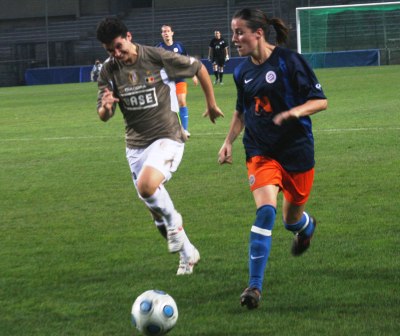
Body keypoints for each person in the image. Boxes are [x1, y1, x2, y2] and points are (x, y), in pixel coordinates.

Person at [95, 17, 224, 275]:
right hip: (135, 145)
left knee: (147, 187)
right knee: (156, 214)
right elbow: (103, 114)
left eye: (119, 46)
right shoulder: (108, 70)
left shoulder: (155, 57)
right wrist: (106, 108)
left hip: (167, 136)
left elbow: (198, 67)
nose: (116, 54)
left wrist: (210, 103)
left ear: (129, 37)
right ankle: (188, 254)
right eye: (110, 50)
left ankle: (175, 222)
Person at [218, 8, 328, 309]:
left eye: (240, 32)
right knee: (265, 212)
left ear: (258, 33)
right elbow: (241, 110)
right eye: (233, 32)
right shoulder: (241, 71)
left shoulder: (290, 61)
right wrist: (228, 141)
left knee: (290, 220)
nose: (234, 38)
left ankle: (305, 228)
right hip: (260, 152)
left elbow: (321, 100)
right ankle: (254, 287)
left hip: (297, 151)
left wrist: (295, 111)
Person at [156, 24, 197, 137]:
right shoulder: (159, 48)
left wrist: (192, 74)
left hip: (179, 78)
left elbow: (187, 60)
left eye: (168, 31)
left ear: (172, 33)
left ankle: (184, 130)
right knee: (166, 106)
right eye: (164, 31)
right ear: (162, 34)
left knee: (182, 101)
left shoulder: (179, 46)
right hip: (166, 81)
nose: (166, 33)